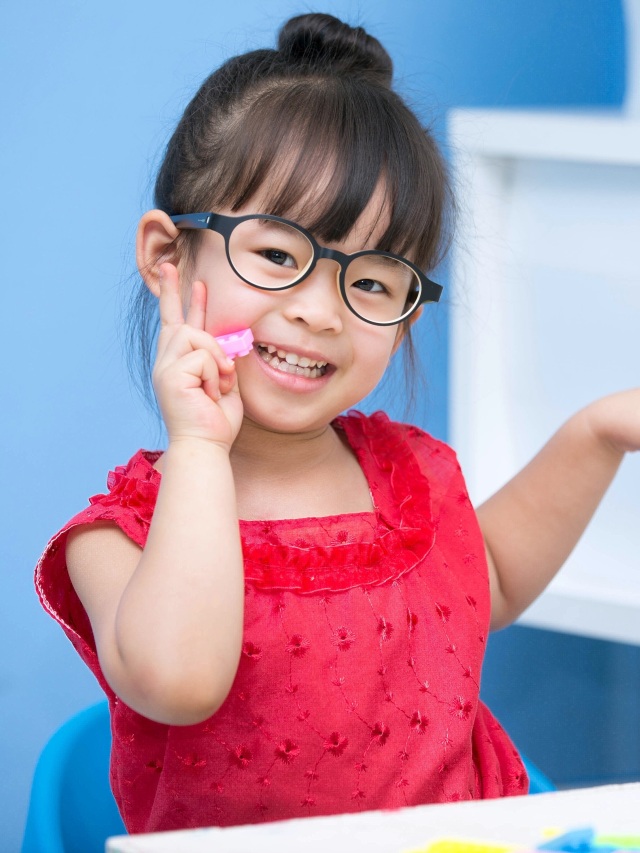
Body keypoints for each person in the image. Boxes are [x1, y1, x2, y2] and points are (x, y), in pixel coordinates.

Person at [36, 11, 638, 836]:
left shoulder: (414, 473)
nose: (320, 311)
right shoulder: (118, 539)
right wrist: (203, 448)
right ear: (169, 259)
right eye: (279, 255)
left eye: (374, 281)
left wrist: (600, 432)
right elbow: (179, 677)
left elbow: (483, 580)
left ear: (407, 315)